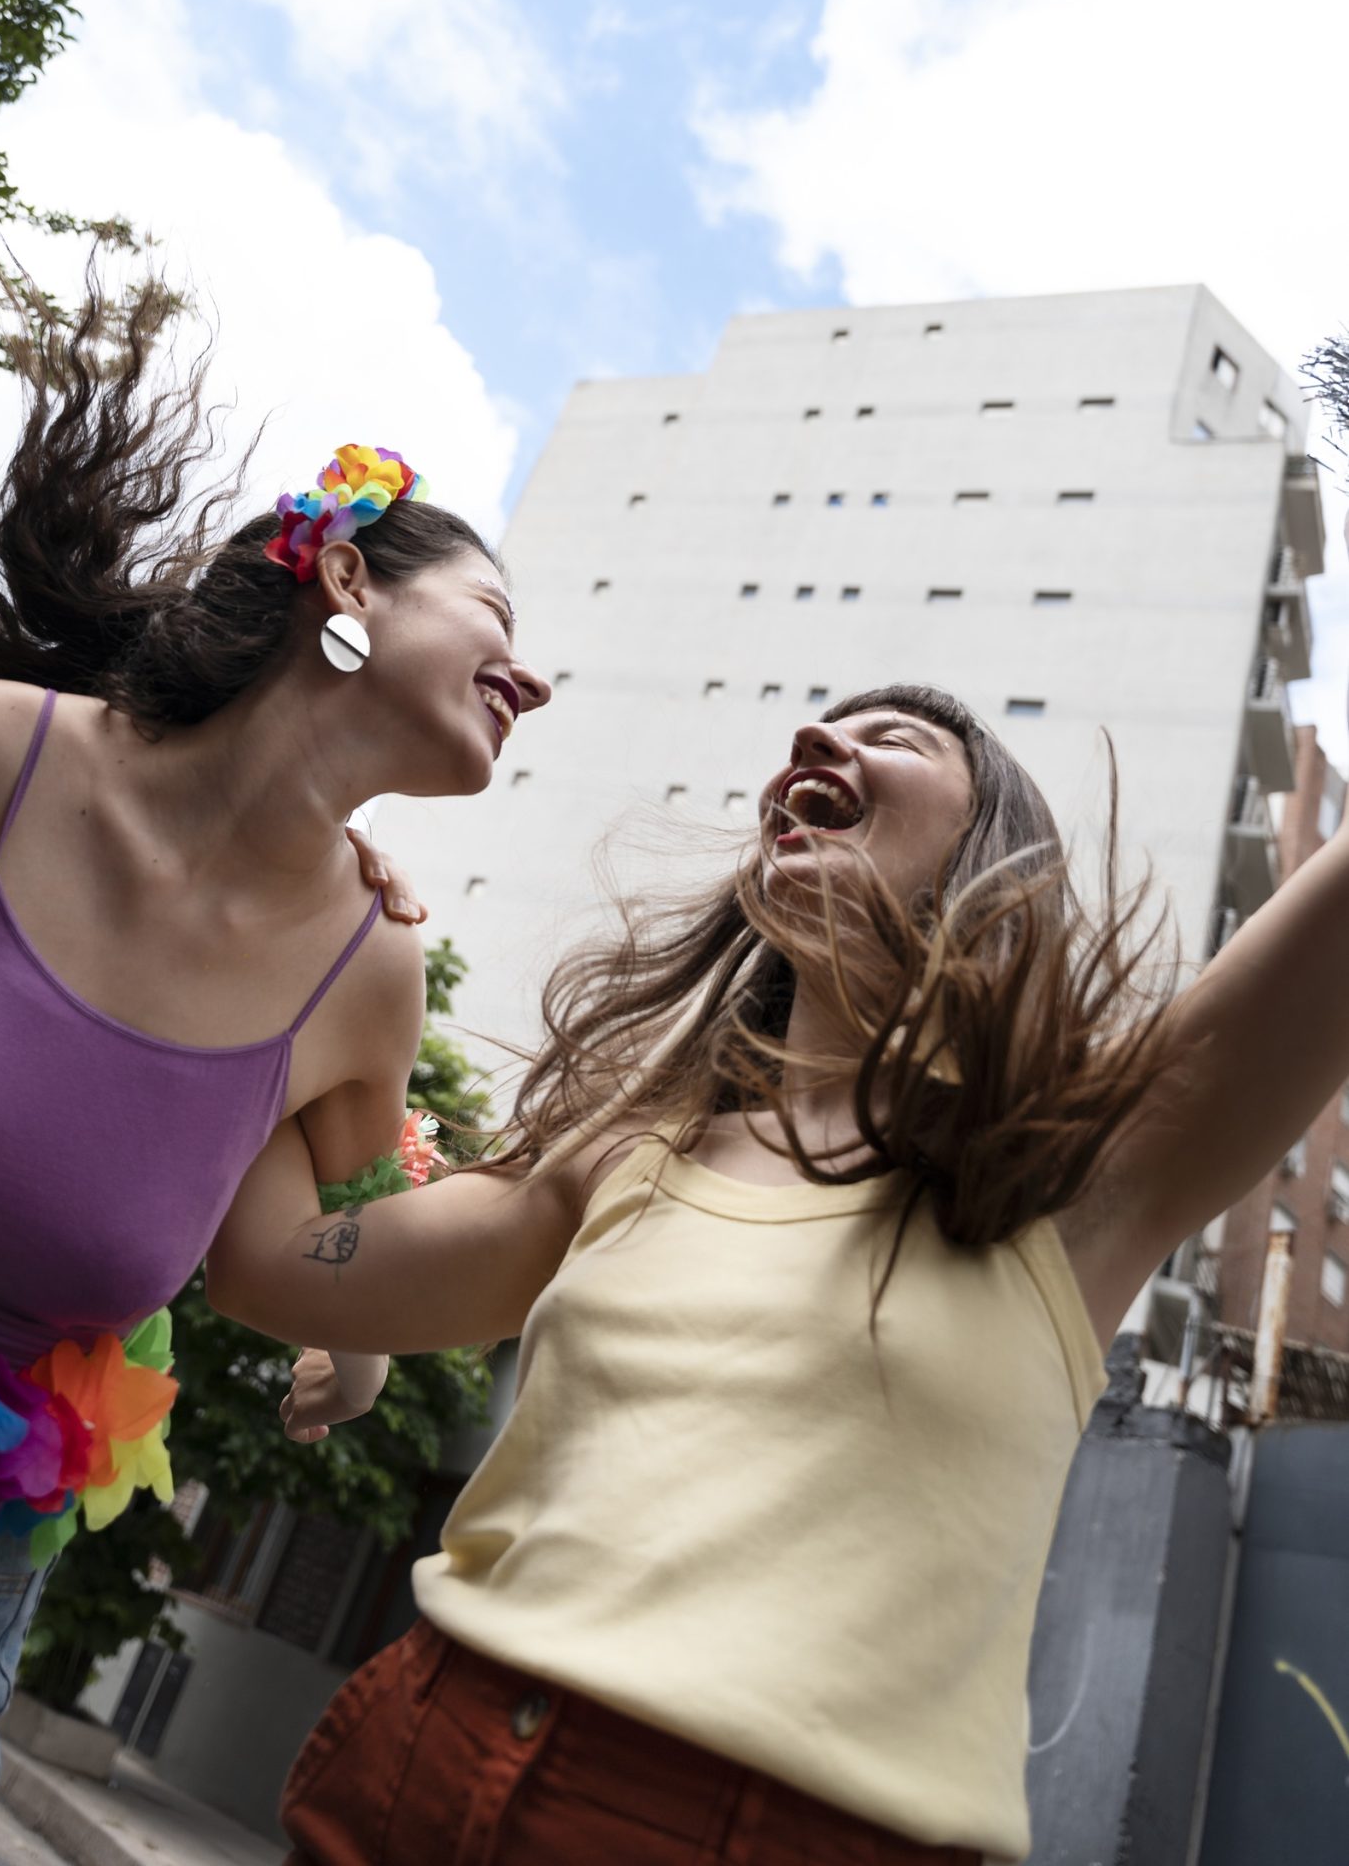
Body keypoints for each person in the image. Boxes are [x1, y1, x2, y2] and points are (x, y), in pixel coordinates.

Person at [0, 276, 549, 1866]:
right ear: (345, 575)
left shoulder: (368, 974)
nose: (529, 680)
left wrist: (356, 1359)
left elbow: (328, 1248)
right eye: (498, 621)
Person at [208, 661, 1349, 1866]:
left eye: (896, 737)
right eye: (821, 727)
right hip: (419, 1759)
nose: (813, 736)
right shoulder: (625, 1155)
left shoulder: (1079, 1173)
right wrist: (289, 934)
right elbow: (273, 1263)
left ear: (991, 855)